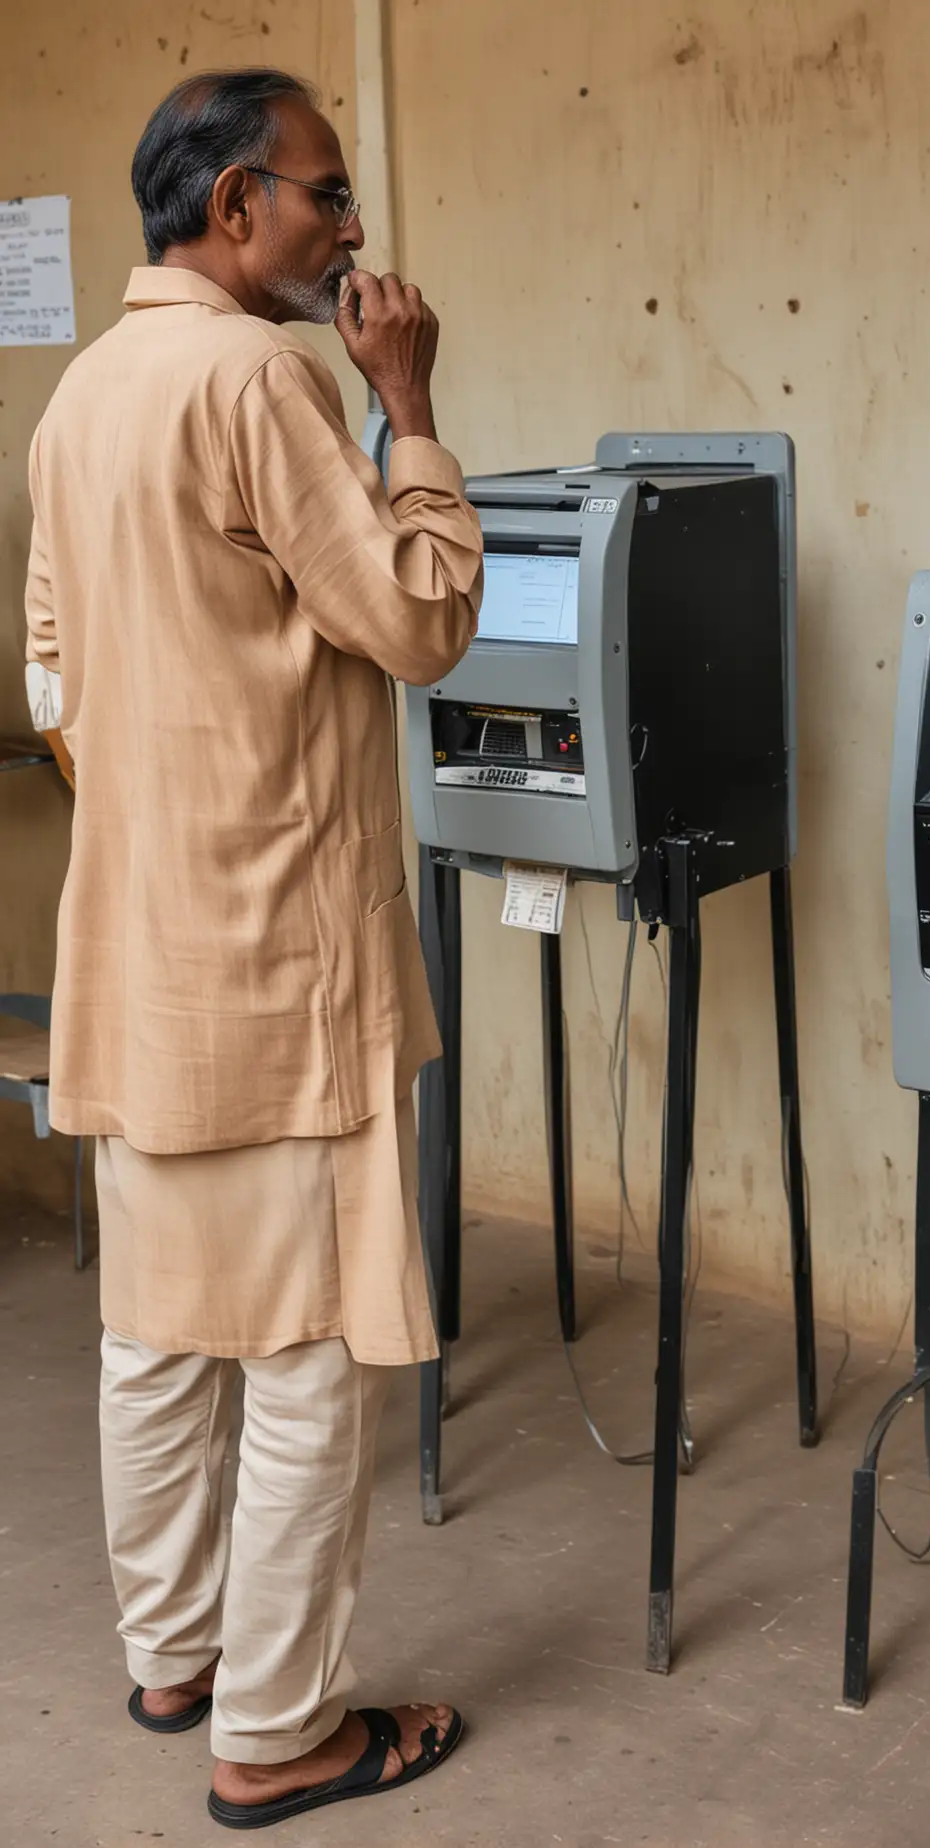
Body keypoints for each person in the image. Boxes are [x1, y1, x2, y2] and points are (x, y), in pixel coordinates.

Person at [24, 67, 482, 1829]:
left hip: (137, 960)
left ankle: (175, 1658)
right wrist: (411, 407)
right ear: (233, 206)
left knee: (156, 1339)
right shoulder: (262, 379)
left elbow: (54, 672)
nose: (349, 227)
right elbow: (420, 619)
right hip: (284, 966)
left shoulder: (82, 400)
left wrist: (167, 776)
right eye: (325, 193)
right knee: (299, 1361)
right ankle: (279, 1733)